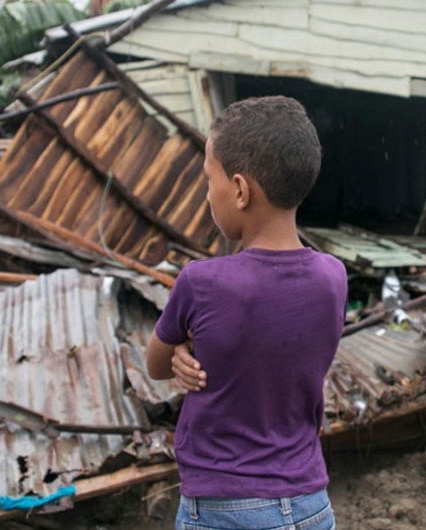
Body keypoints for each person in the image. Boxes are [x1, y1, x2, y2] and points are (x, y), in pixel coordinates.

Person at [146, 96, 345, 530]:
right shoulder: (333, 277)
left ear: (239, 190)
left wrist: (179, 350)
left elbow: (156, 364)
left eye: (207, 179)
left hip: (224, 510)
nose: (206, 193)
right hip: (310, 504)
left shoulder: (203, 282)